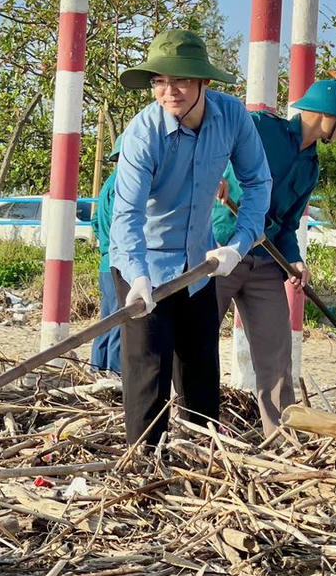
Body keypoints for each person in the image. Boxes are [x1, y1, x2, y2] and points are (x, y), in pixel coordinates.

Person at [110, 29, 272, 446]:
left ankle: (204, 460)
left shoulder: (232, 116)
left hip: (199, 264)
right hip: (143, 263)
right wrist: (138, 278)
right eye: (160, 81)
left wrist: (240, 243)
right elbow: (126, 213)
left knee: (200, 369)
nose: (169, 91)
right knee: (148, 369)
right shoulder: (142, 133)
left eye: (180, 80)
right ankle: (143, 464)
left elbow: (258, 181)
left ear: (204, 82)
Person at [211, 79, 336, 434]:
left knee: (277, 356)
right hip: (222, 248)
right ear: (327, 116)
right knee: (197, 341)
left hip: (266, 259)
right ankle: (189, 425)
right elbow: (218, 142)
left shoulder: (311, 166)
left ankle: (280, 435)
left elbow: (289, 222)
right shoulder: (262, 128)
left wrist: (294, 259)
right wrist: (216, 175)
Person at [90, 145, 122, 374]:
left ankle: (96, 368)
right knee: (121, 320)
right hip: (120, 261)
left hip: (106, 260)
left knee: (106, 320)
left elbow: (95, 222)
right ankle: (115, 372)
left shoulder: (108, 183)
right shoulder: (124, 183)